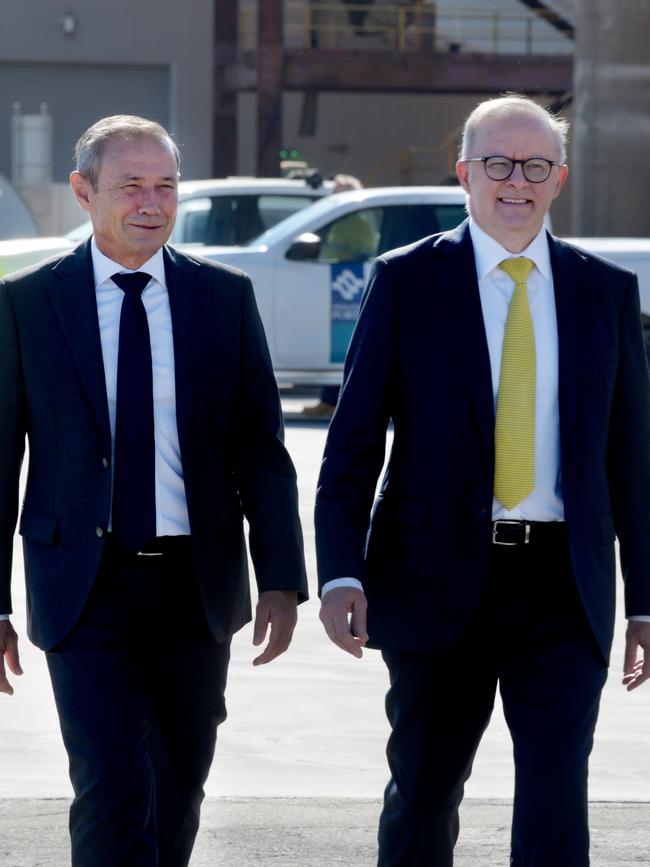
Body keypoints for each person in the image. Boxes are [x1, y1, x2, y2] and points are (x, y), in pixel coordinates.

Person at [315, 94, 650, 866]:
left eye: (536, 166)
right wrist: (339, 572)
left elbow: (633, 461)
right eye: (497, 164)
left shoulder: (605, 290)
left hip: (564, 584)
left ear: (559, 178)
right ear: (465, 173)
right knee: (426, 791)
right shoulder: (407, 281)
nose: (516, 182)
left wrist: (646, 603)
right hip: (433, 582)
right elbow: (354, 442)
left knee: (557, 796)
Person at [0, 115, 308, 867]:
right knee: (111, 789)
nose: (151, 202)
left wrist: (283, 581)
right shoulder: (27, 305)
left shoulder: (222, 300)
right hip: (84, 584)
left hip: (194, 586)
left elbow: (261, 451)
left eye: (165, 184)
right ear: (83, 190)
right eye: (130, 184)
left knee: (177, 789)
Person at [303, 173, 369, 420]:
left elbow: (358, 253)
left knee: (343, 349)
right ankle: (327, 400)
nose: (333, 196)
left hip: (345, 288)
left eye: (340, 191)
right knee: (332, 349)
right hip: (331, 285)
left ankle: (332, 402)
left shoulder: (356, 224)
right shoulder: (338, 222)